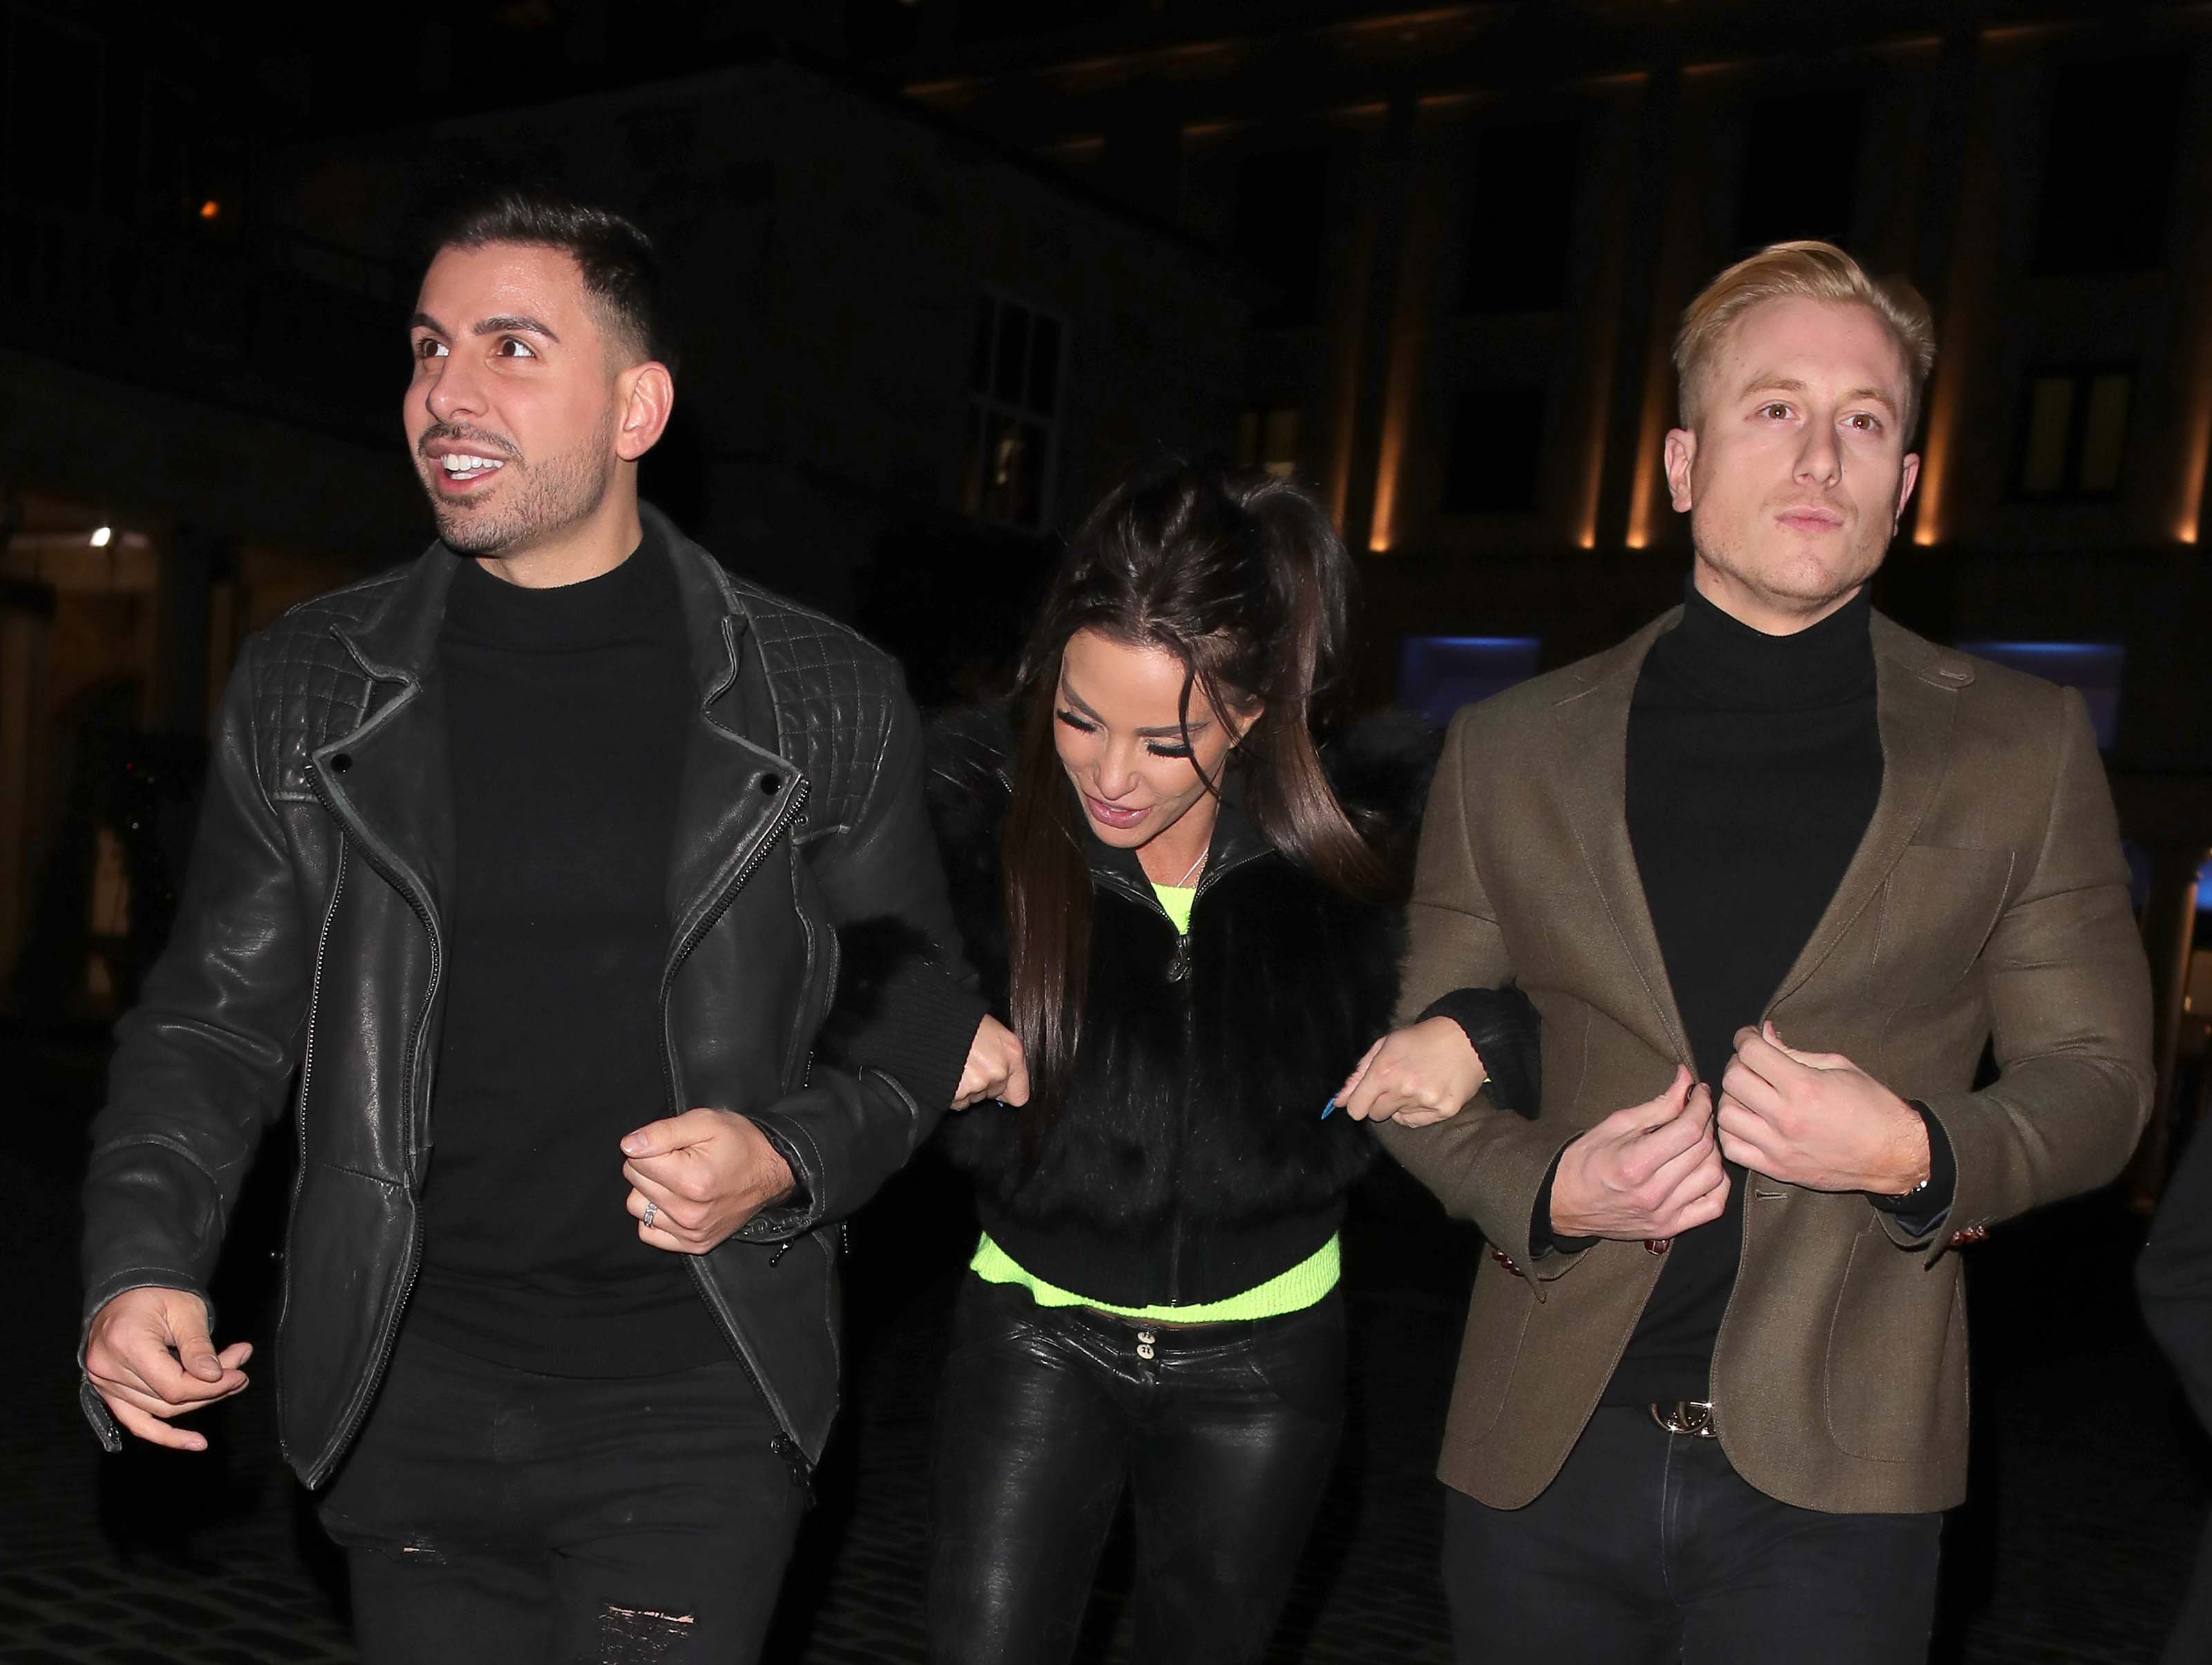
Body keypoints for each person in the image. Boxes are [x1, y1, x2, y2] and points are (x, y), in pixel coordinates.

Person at [75, 189, 1017, 1663]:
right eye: (428, 347)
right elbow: (215, 1014)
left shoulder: (817, 693)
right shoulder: (315, 681)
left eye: (511, 347)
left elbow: (915, 997)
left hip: (695, 1392)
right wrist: (141, 1259)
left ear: (637, 407)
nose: (446, 392)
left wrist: (786, 1153)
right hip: (407, 1388)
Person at [1343, 240, 2155, 1662]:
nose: (1820, 456)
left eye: (1864, 421)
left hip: (1844, 1478)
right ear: (1681, 462)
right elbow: (1416, 1071)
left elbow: (2099, 1081)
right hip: (1543, 1449)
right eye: (1775, 407)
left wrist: (1916, 1151)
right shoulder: (1512, 749)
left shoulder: (2020, 749)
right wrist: (1550, 1189)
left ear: (1906, 483)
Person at [921, 464, 1533, 1664]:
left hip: (1266, 1362)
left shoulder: (1370, 837)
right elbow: (830, 962)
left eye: (1165, 741)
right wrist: (918, 1029)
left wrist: (1483, 1035)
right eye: (1078, 718)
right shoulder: (972, 811)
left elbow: (1581, 987)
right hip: (1035, 1332)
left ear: (1249, 716)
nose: (1109, 775)